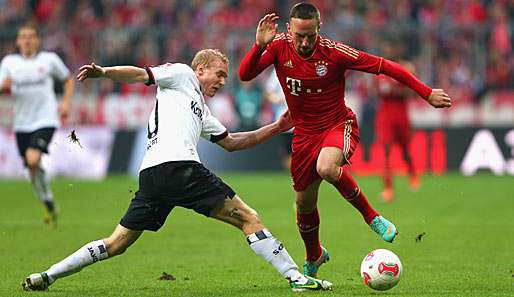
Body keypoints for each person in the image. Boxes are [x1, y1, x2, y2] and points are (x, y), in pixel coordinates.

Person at [22, 49, 332, 292]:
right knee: (248, 218)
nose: (223, 81)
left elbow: (233, 142)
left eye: (225, 76)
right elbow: (141, 75)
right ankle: (296, 277)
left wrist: (277, 126)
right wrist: (104, 72)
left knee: (116, 243)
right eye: (219, 74)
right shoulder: (182, 74)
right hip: (180, 167)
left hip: (153, 176)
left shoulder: (201, 109)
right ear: (200, 69)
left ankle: (47, 276)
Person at [239, 2, 452, 278]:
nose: (304, 42)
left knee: (326, 167)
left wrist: (426, 92)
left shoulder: (335, 52)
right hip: (303, 134)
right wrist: (258, 46)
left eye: (310, 36)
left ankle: (372, 217)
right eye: (299, 35)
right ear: (289, 29)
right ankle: (314, 254)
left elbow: (385, 67)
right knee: (304, 204)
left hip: (337, 124)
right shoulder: (279, 46)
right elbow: (245, 75)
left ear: (320, 29)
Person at [0, 23, 74, 227]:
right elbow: (1, 87)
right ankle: (48, 203)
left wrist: (65, 103)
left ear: (37, 40)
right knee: (32, 169)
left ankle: (48, 200)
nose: (27, 40)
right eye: (23, 36)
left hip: (46, 119)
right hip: (22, 123)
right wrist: (3, 88)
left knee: (32, 160)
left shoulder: (48, 60)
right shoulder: (9, 63)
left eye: (31, 36)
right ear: (17, 41)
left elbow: (67, 79)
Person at [374, 55, 419, 202]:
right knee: (386, 151)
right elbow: (376, 92)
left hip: (401, 115)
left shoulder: (405, 69)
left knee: (405, 150)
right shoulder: (380, 71)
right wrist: (389, 90)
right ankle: (388, 188)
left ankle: (412, 176)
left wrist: (394, 90)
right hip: (386, 116)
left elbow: (410, 91)